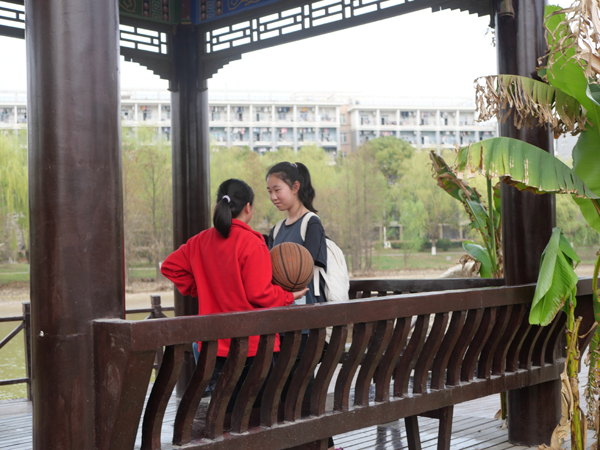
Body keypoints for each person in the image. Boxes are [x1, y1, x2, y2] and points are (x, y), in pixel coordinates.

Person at [161, 178, 307, 410]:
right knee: (256, 416)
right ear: (248, 207)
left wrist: (201, 287)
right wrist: (290, 296)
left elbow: (169, 267)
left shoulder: (200, 240)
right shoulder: (252, 242)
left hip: (212, 347)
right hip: (253, 347)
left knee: (224, 415)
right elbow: (259, 294)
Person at [266, 163, 341, 450]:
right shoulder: (276, 230)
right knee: (290, 389)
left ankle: (327, 446)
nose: (273, 196)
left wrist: (286, 279)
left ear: (295, 187)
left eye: (277, 189)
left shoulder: (312, 223)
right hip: (284, 324)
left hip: (309, 326)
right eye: (269, 191)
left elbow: (305, 267)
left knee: (301, 388)